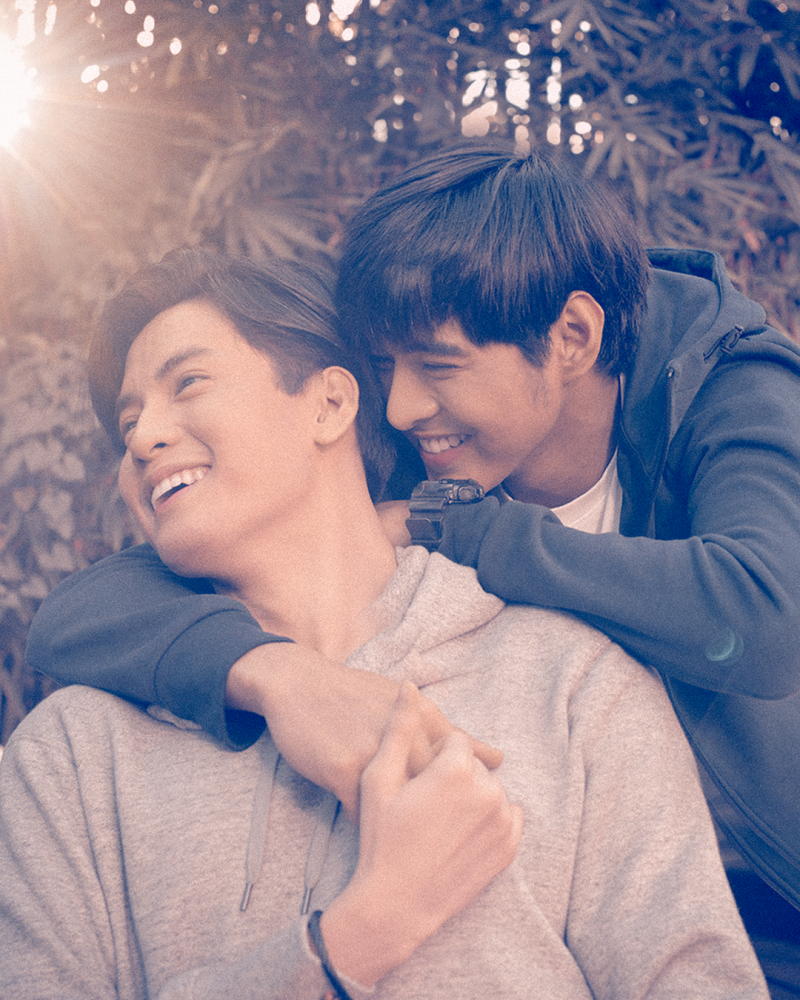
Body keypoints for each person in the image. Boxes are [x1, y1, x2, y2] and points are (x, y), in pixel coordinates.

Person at [25, 142, 800, 912]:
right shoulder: (427, 431)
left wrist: (463, 530)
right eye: (387, 365)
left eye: (438, 365)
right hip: (591, 875)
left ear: (571, 337)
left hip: (773, 884)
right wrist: (276, 676)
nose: (398, 407)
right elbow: (76, 617)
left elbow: (766, 619)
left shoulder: (730, 389)